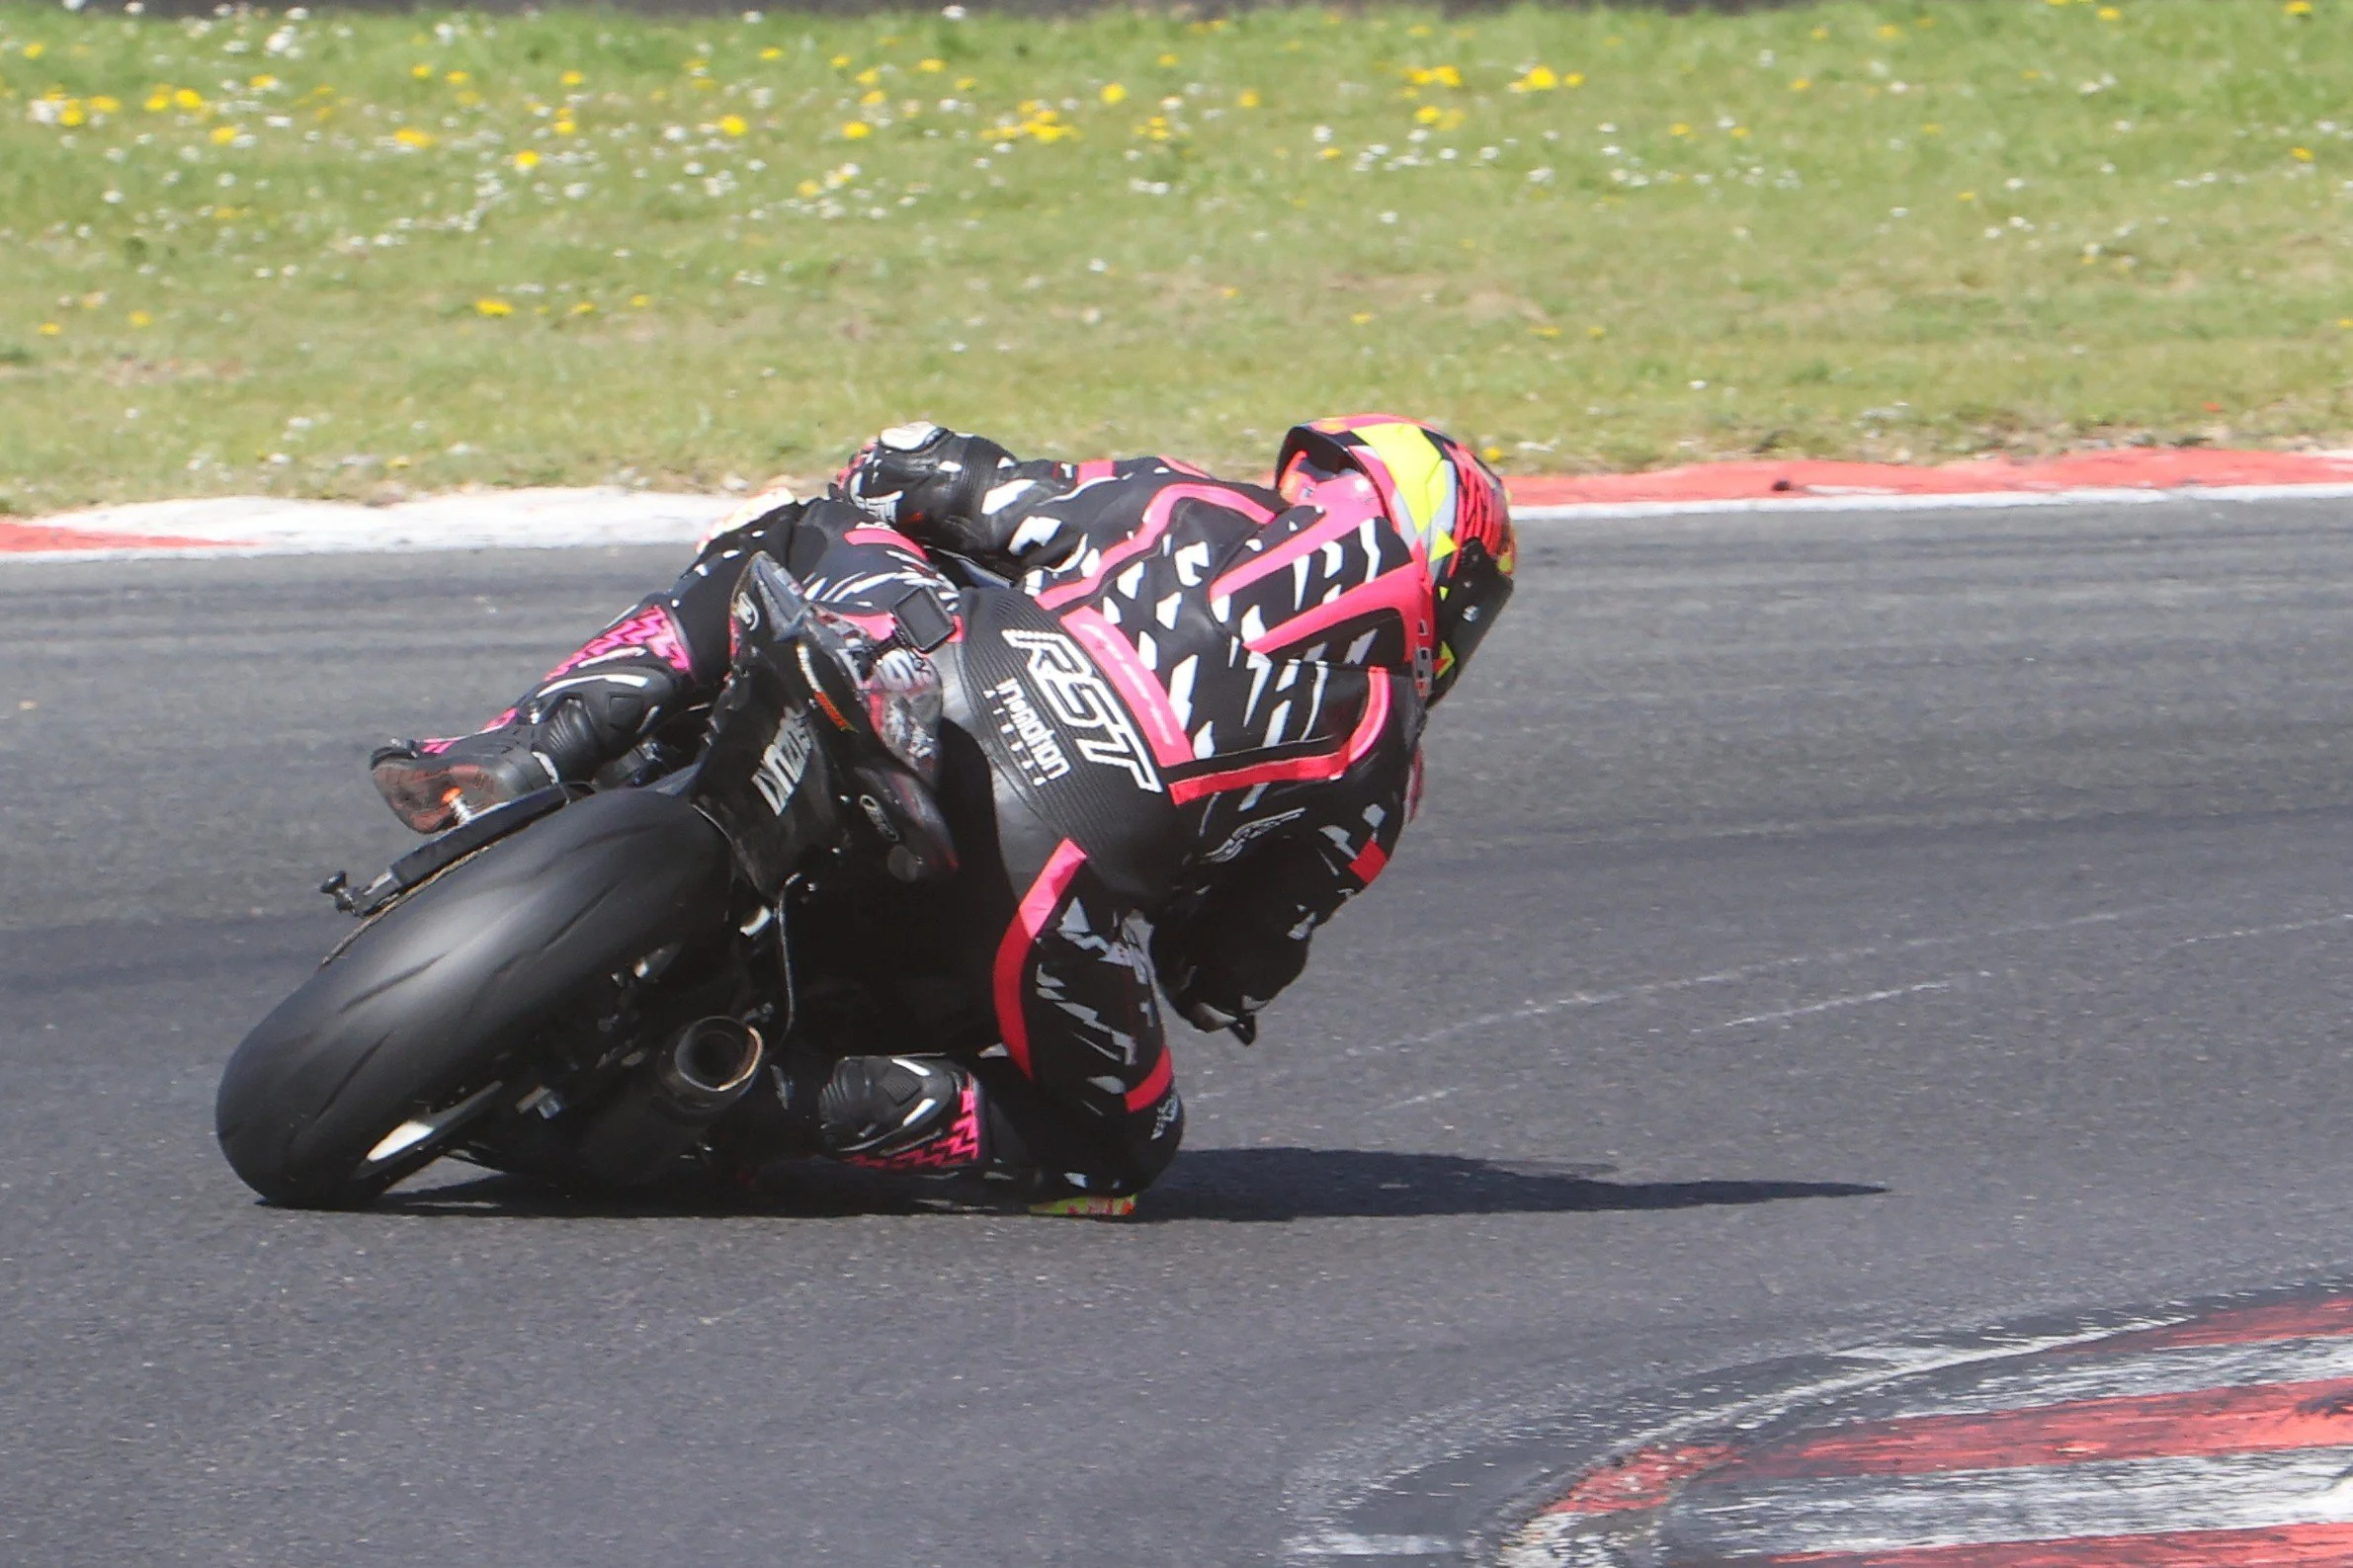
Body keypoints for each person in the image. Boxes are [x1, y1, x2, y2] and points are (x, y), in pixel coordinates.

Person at [370, 416, 1516, 1214]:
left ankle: (526, 748)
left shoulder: (1178, 497)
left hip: (942, 681)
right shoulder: (1385, 766)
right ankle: (762, 1096)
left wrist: (902, 511)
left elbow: (919, 469)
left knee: (786, 537)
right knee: (1120, 1149)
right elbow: (1219, 975)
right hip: (1047, 895)